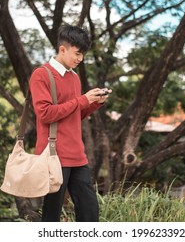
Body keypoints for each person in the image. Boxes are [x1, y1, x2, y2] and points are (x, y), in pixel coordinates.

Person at [29, 24, 110, 222]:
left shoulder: (74, 77)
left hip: (77, 155)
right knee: (52, 214)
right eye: (77, 53)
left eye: (83, 55)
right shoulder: (42, 74)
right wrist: (83, 100)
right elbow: (45, 114)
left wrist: (94, 103)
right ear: (62, 49)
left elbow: (74, 115)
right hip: (54, 155)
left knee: (90, 210)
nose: (80, 59)